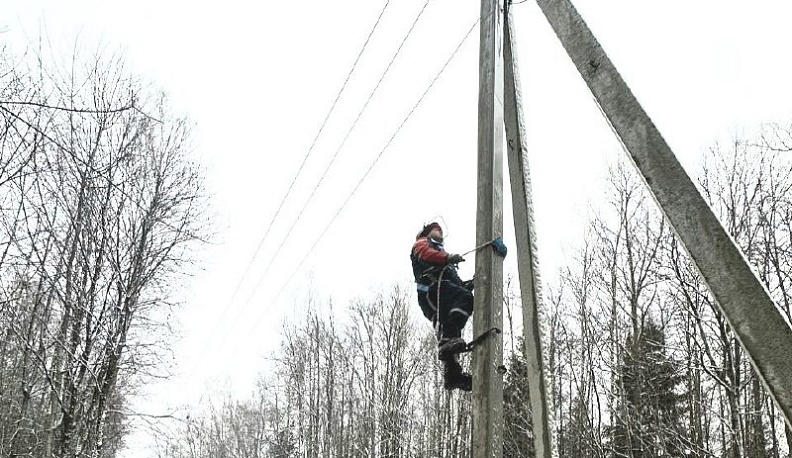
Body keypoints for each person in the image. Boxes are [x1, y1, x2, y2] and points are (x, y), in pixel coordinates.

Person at [410, 222, 474, 391]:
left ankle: (453, 374)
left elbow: (458, 284)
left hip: (439, 294)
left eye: (440, 230)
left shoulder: (442, 256)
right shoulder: (422, 244)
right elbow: (424, 254)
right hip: (432, 290)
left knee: (446, 326)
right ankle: (450, 341)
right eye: (435, 229)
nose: (439, 231)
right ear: (426, 232)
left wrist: (473, 283)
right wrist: (447, 258)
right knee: (464, 299)